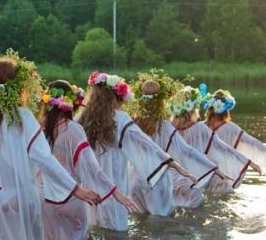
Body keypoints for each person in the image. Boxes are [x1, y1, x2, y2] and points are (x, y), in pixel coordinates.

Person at [0, 50, 101, 240]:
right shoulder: (23, 117)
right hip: (18, 201)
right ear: (17, 88)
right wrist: (76, 189)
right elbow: (45, 159)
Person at [77, 71, 197, 230]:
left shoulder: (82, 117)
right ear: (115, 97)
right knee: (116, 230)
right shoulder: (120, 118)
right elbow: (147, 144)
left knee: (95, 227)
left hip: (90, 185)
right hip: (115, 185)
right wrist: (175, 165)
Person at [38, 80, 140, 239]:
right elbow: (92, 168)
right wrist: (115, 192)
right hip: (71, 199)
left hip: (45, 201)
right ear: (70, 103)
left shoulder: (38, 128)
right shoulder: (73, 130)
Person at [126, 70, 223, 210]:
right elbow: (186, 150)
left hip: (135, 181)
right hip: (157, 179)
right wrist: (213, 168)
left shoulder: (132, 122)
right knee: (162, 224)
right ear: (161, 101)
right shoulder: (163, 125)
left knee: (141, 221)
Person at [169, 86, 260, 194]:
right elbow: (224, 147)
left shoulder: (167, 127)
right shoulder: (200, 128)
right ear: (193, 109)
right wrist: (249, 162)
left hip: (174, 175)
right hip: (199, 173)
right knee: (223, 186)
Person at [202, 89, 266, 176]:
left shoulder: (199, 127)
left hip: (202, 171)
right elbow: (251, 141)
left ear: (210, 108)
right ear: (226, 110)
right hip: (223, 172)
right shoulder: (231, 128)